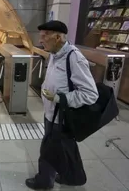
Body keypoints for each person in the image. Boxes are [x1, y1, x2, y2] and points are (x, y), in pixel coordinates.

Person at [25, 20, 99, 190]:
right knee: (61, 148)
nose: (41, 40)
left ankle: (45, 181)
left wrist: (59, 98)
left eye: (44, 36)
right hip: (51, 113)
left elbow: (90, 94)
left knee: (48, 150)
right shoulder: (54, 54)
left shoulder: (74, 58)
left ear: (57, 37)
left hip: (63, 116)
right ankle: (70, 177)